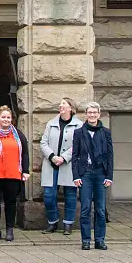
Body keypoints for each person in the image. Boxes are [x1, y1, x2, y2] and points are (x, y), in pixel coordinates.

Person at [72, 102, 114, 251]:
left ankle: (100, 240)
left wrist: (109, 176)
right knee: (85, 209)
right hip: (85, 173)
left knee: (100, 209)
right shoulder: (79, 132)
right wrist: (76, 176)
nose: (92, 115)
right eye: (89, 112)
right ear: (86, 114)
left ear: (99, 114)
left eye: (94, 112)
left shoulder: (105, 132)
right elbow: (75, 156)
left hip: (100, 173)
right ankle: (85, 240)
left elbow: (110, 156)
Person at [0, 106, 29, 243]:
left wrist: (25, 171)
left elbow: (25, 153)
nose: (6, 120)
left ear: (12, 119)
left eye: (8, 117)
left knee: (10, 202)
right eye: (3, 117)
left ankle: (10, 229)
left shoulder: (18, 135)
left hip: (13, 173)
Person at [40, 97, 83, 235]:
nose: (60, 105)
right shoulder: (51, 124)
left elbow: (78, 145)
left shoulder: (79, 125)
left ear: (71, 108)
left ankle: (68, 224)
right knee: (48, 195)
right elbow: (43, 143)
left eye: (64, 103)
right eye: (60, 103)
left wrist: (64, 158)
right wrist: (53, 157)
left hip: (69, 164)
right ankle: (52, 222)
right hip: (51, 164)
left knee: (70, 195)